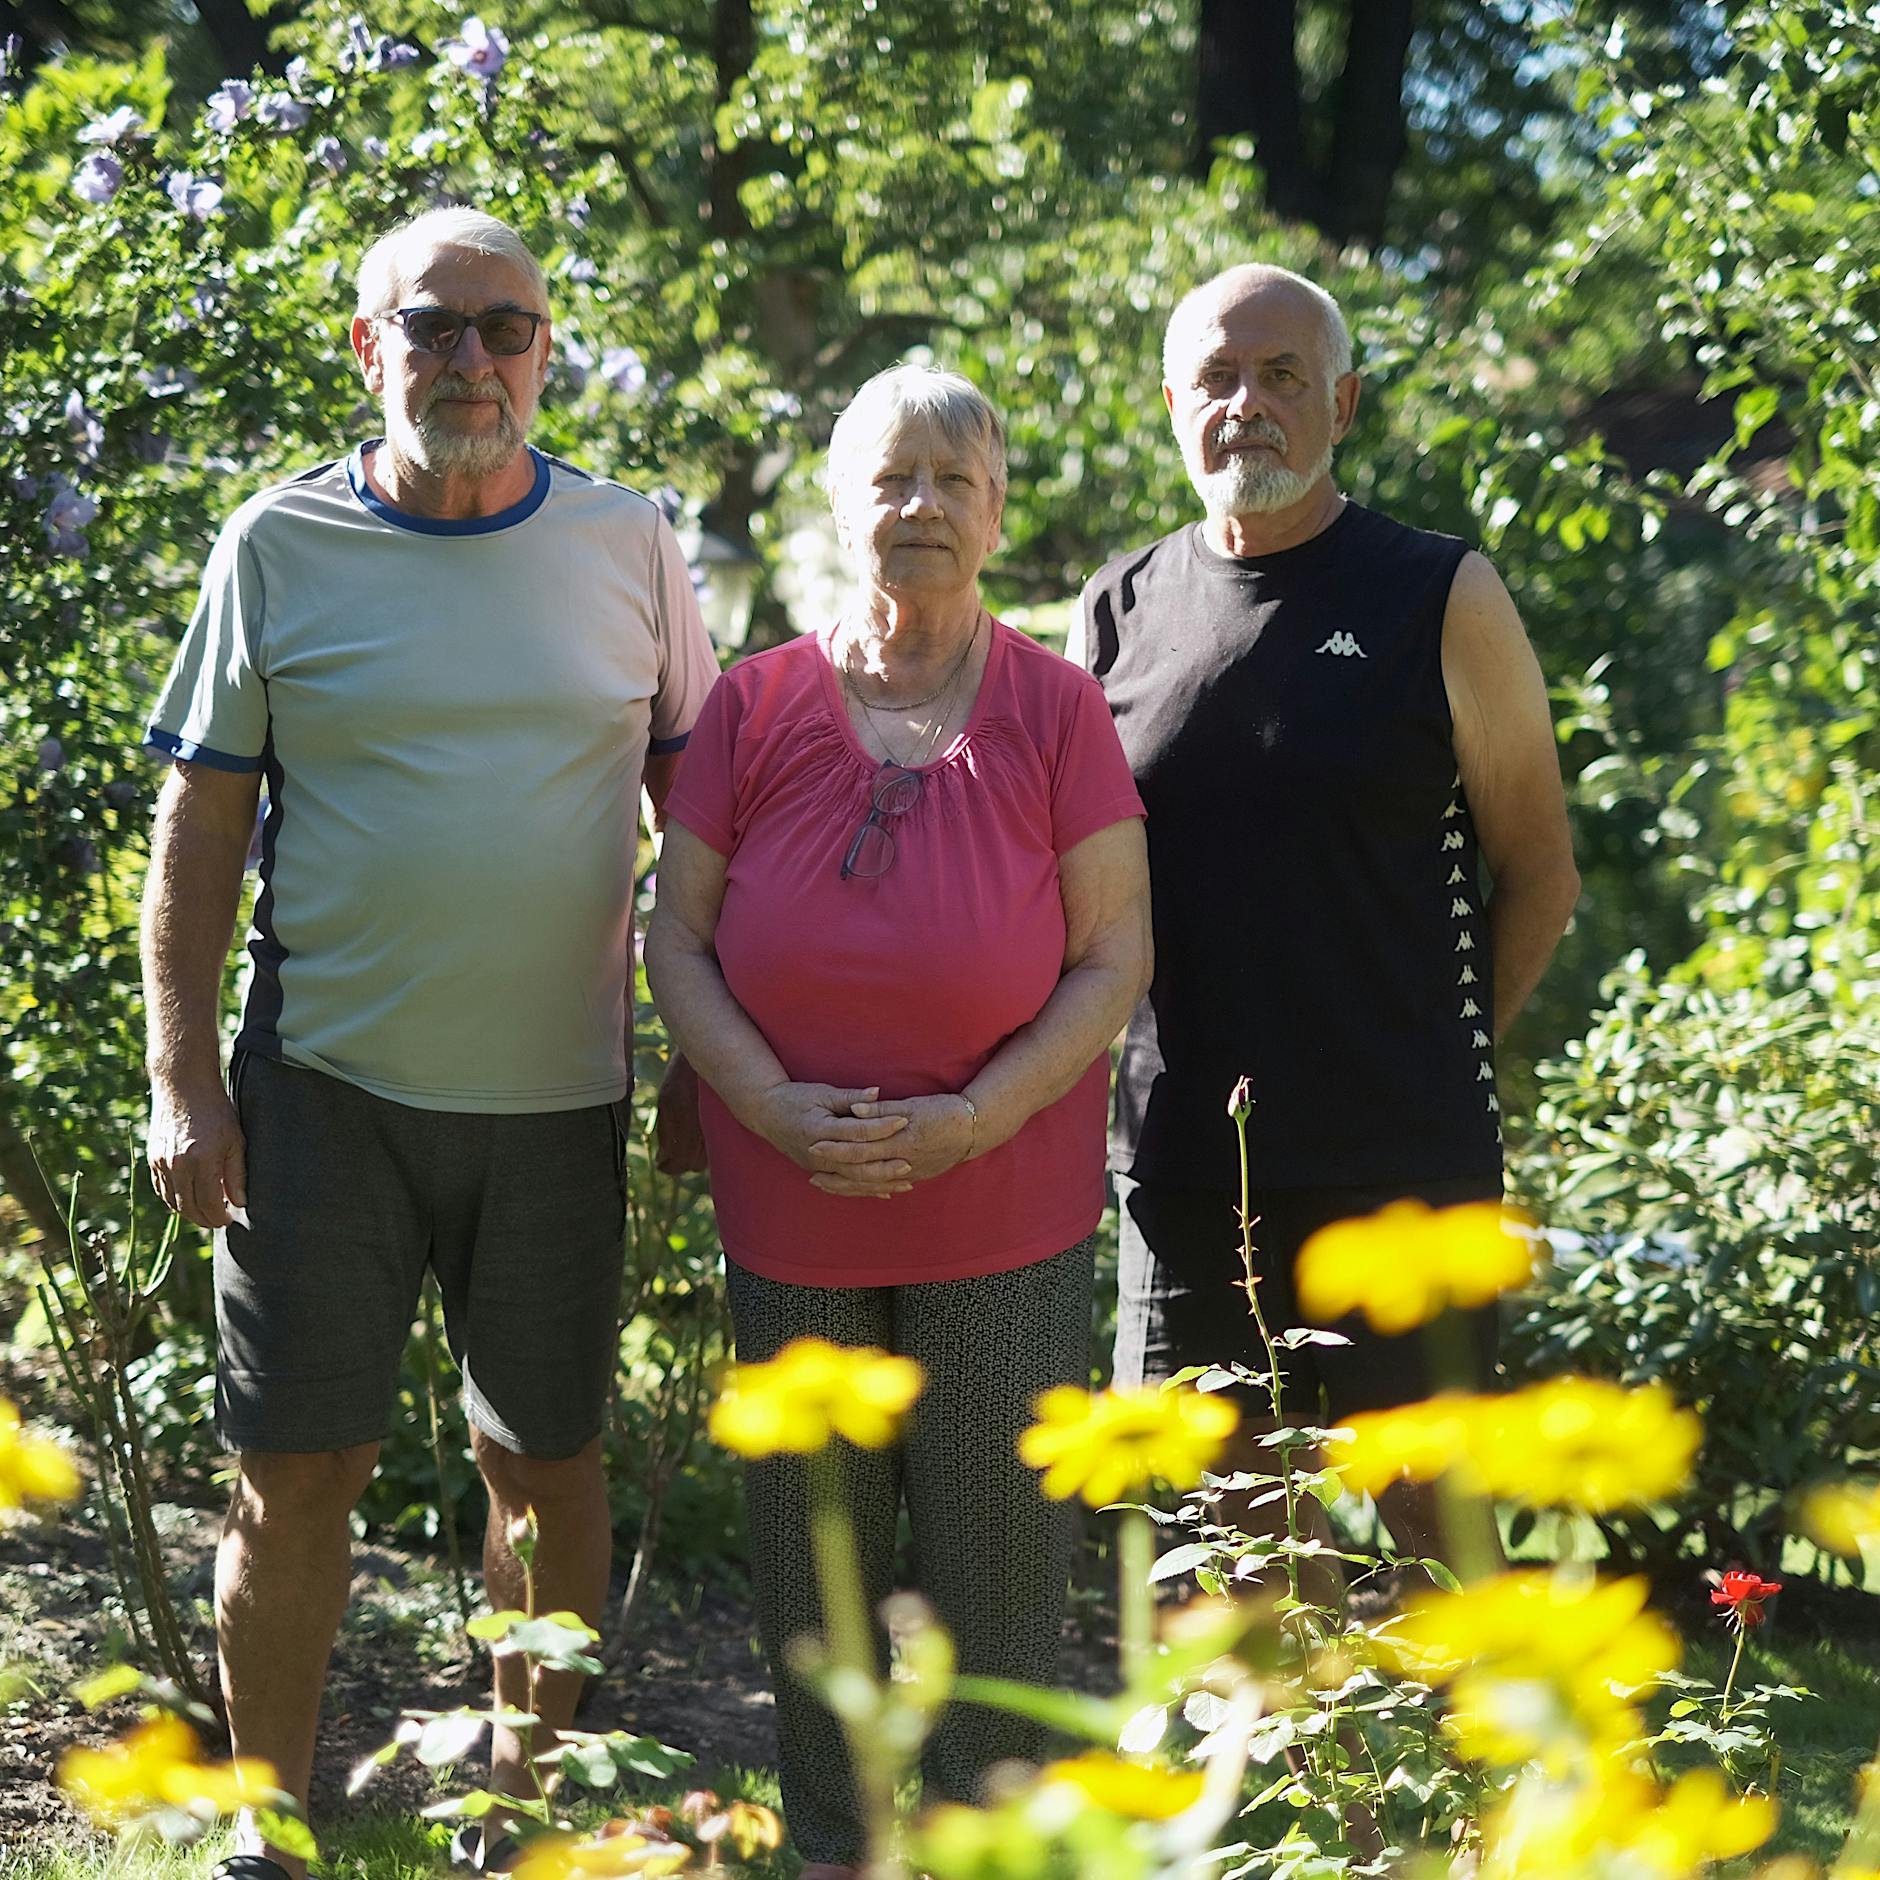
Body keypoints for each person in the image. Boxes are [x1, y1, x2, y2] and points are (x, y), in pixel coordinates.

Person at [139, 207, 719, 1879]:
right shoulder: (280, 543)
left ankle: (519, 1826)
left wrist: (703, 1055)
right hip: (322, 1090)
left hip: (560, 1098)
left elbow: (706, 814)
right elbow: (198, 831)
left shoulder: (629, 546)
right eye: (435, 326)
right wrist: (185, 1078)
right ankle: (270, 1829)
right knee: (296, 1461)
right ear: (368, 344)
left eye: (507, 329)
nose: (472, 361)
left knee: (543, 1462)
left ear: (548, 349)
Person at [645, 365, 1150, 1879]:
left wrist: (978, 1114)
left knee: (1000, 1567)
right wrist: (770, 1104)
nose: (920, 504)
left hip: (1002, 1210)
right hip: (790, 1196)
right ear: (841, 503)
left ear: (995, 513)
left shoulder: (1058, 708)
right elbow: (675, 936)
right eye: (890, 477)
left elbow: (1115, 954)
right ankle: (834, 1853)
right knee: (820, 1569)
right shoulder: (754, 704)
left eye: (952, 479)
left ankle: (995, 1855)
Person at [1068, 262, 1580, 1558]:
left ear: (1343, 402)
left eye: (1284, 375)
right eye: (1218, 378)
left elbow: (1540, 870)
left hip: (1406, 1171)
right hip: (1188, 1171)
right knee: (1223, 1559)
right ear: (1173, 404)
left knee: (1442, 1556)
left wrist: (1430, 1051)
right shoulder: (1115, 612)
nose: (1249, 404)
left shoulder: (1439, 594)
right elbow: (1075, 890)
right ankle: (1254, 1776)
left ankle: (1476, 1776)